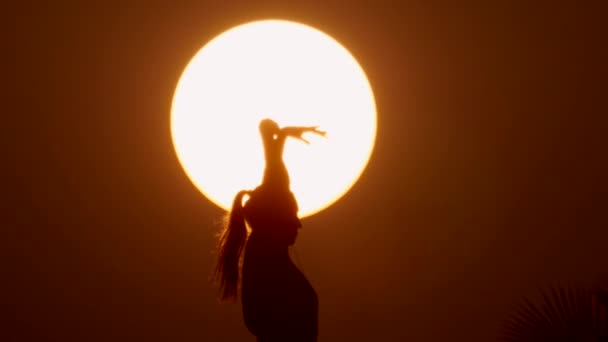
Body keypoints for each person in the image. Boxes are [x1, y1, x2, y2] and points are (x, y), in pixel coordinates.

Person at [214, 118, 325, 341]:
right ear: (273, 221)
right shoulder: (267, 265)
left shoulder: (263, 257)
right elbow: (275, 181)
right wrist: (275, 139)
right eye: (292, 216)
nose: (298, 224)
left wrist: (278, 139)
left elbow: (276, 179)